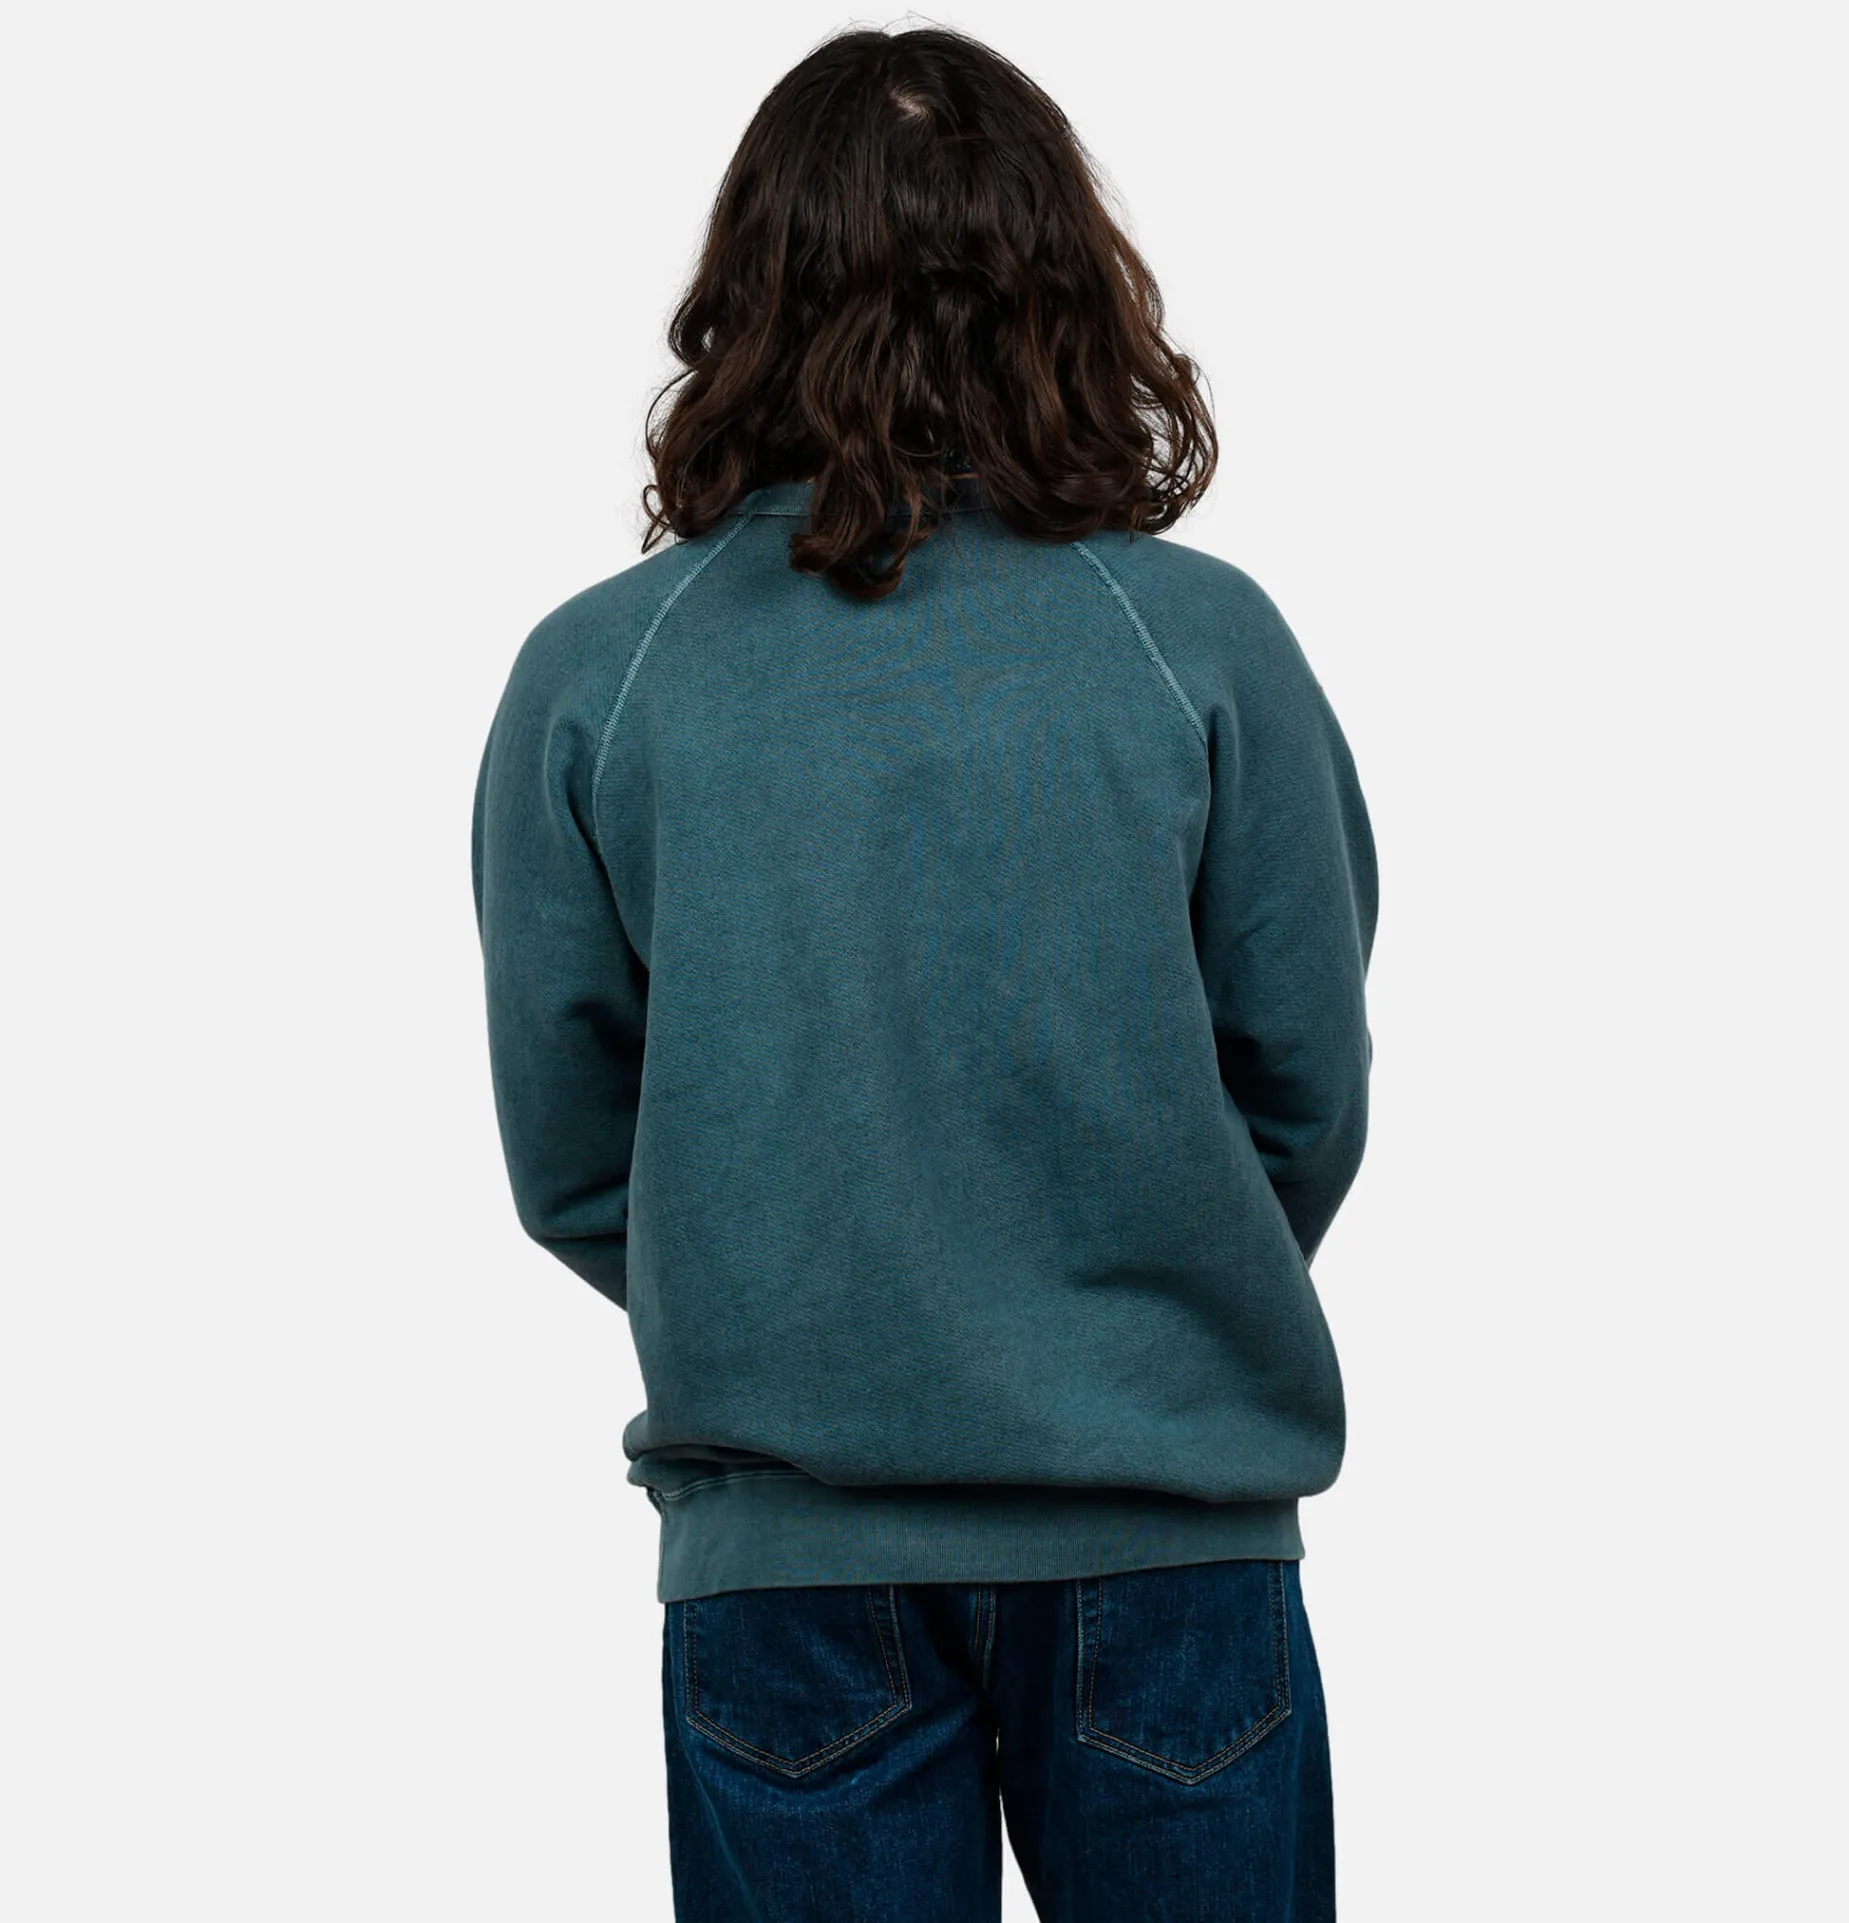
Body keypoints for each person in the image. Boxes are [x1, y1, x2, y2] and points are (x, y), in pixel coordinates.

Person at [472, 24, 1377, 1921]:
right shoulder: (1198, 643)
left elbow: (575, 1157)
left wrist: (810, 1284)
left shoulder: (604, 673)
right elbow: (1302, 1088)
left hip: (790, 1565)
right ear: (1063, 277)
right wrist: (1116, 1290)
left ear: (752, 283)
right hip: (1169, 1546)